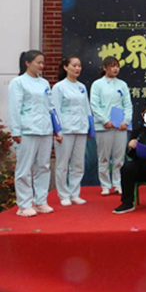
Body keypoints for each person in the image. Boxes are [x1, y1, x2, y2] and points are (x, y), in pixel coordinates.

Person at [9, 50, 62, 217]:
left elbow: (51, 107)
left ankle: (40, 201)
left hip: (45, 129)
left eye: (43, 62)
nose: (41, 65)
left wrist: (57, 129)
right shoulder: (18, 82)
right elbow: (15, 108)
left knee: (43, 166)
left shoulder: (44, 83)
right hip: (27, 130)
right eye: (38, 62)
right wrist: (16, 130)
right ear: (27, 63)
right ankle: (24, 204)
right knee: (24, 168)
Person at [52, 56, 93, 206]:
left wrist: (90, 128)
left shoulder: (82, 87)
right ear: (65, 67)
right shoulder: (59, 87)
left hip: (81, 128)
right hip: (66, 129)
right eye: (74, 65)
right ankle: (63, 194)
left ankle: (75, 193)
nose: (77, 68)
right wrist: (57, 131)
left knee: (78, 163)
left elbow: (87, 108)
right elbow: (55, 109)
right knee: (63, 164)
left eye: (79, 66)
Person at [90, 56, 133, 196]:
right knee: (103, 157)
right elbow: (94, 105)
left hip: (120, 127)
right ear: (105, 68)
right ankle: (105, 185)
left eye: (117, 66)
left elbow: (128, 105)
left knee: (119, 158)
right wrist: (104, 121)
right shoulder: (97, 84)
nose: (115, 69)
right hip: (104, 127)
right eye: (112, 66)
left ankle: (118, 183)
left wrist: (126, 121)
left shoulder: (122, 84)